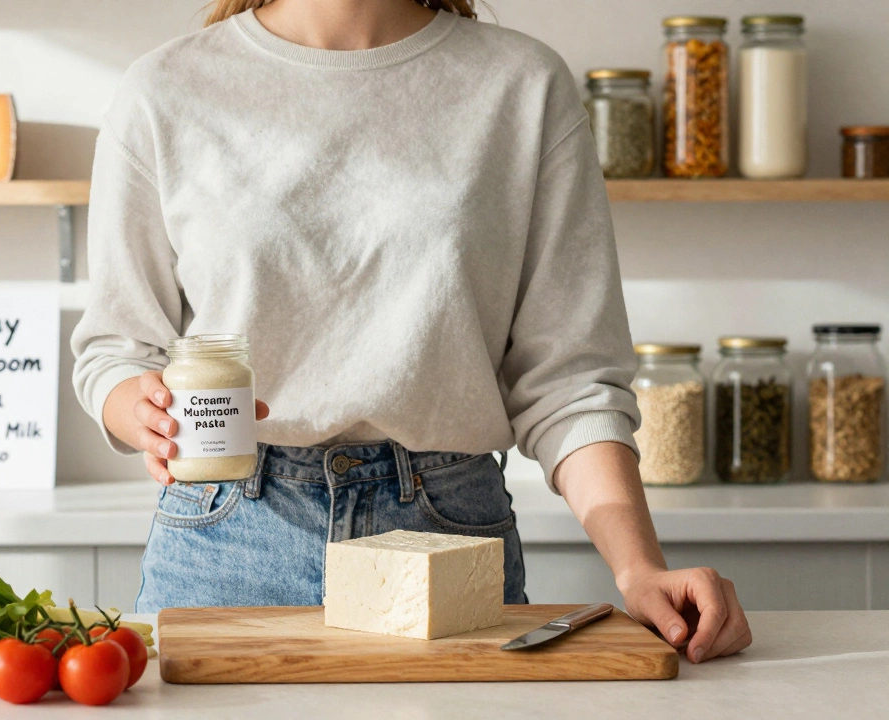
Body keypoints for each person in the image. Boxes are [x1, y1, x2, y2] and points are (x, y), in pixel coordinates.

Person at [71, 0, 751, 663]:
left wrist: (638, 568)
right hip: (226, 539)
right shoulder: (165, 88)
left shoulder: (522, 85)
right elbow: (114, 346)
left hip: (448, 541)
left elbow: (571, 382)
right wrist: (144, 411)